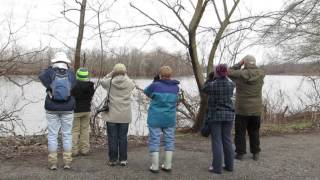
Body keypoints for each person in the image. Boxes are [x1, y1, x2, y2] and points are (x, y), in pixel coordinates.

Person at [38, 52, 76, 170]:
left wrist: (50, 67)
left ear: (54, 61)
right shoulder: (71, 73)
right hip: (68, 108)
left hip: (51, 107)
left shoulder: (49, 72)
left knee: (53, 135)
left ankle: (53, 162)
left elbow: (41, 76)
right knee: (67, 135)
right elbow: (73, 86)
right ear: (66, 62)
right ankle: (67, 162)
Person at [228, 55, 265, 161]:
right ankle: (256, 153)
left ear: (245, 63)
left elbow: (228, 71)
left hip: (242, 109)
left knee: (240, 132)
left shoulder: (240, 74)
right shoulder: (261, 74)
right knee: (254, 131)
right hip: (256, 109)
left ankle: (240, 153)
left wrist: (239, 64)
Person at [144, 66, 180, 173]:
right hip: (169, 118)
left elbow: (147, 92)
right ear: (170, 75)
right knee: (169, 140)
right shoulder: (176, 87)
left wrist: (155, 82)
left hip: (155, 118)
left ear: (160, 75)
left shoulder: (155, 85)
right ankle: (167, 165)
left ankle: (155, 166)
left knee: (154, 140)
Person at [202, 64, 235, 174]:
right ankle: (229, 166)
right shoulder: (231, 84)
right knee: (227, 140)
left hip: (216, 116)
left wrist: (210, 78)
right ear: (226, 72)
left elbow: (204, 88)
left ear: (216, 72)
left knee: (217, 141)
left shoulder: (212, 85)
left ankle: (217, 168)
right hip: (229, 115)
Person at [100, 63, 135, 166]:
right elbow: (132, 83)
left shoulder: (109, 82)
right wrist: (125, 74)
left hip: (111, 115)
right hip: (125, 116)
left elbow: (102, 81)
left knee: (112, 137)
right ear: (125, 72)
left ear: (114, 72)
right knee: (123, 137)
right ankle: (123, 159)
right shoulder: (130, 83)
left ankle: (112, 159)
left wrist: (111, 74)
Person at [71, 68, 94, 156]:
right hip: (86, 110)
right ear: (86, 76)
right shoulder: (90, 86)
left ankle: (74, 150)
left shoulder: (73, 85)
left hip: (75, 111)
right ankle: (84, 150)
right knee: (85, 130)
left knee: (75, 131)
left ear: (77, 75)